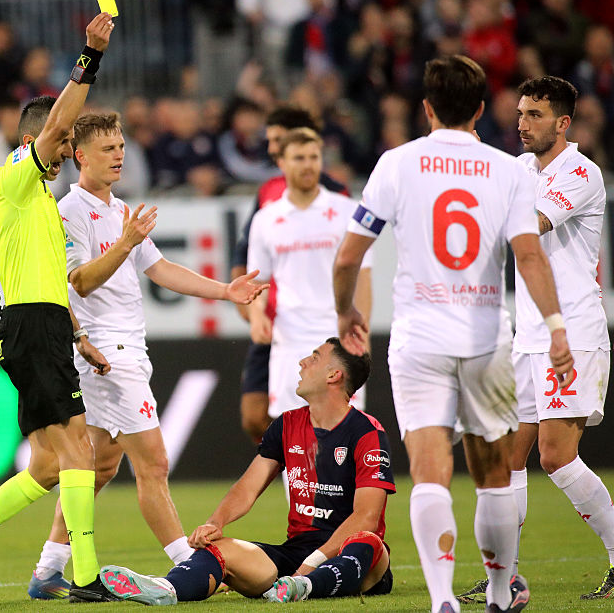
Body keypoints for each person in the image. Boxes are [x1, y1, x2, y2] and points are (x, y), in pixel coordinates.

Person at [333, 55, 574, 613]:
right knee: (492, 473)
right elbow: (530, 256)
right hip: (487, 337)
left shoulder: (397, 163)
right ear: (482, 110)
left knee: (429, 470)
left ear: (426, 107)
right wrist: (557, 327)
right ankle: (497, 592)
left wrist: (344, 311)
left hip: (419, 336)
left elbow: (348, 256)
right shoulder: (509, 170)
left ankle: (443, 599)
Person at [26, 112, 267, 600]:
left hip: (125, 347)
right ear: (80, 156)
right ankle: (189, 565)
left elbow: (159, 269)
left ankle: (48, 569)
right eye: (108, 148)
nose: (119, 155)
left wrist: (225, 290)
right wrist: (126, 243)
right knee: (153, 463)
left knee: (97, 468)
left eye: (120, 146)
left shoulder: (119, 210)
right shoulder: (69, 210)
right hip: (105, 351)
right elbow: (81, 281)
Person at [0, 12, 118, 606]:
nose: (66, 153)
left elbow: (50, 278)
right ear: (36, 141)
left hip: (44, 322)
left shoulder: (39, 200)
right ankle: (84, 577)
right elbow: (60, 120)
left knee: (46, 465)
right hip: (29, 322)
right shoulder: (12, 176)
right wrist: (90, 56)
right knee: (79, 448)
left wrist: (78, 335)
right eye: (61, 144)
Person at [458, 76, 614, 603]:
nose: (522, 123)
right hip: (527, 334)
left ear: (563, 124)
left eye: (535, 115)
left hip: (572, 331)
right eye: (520, 113)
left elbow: (531, 224)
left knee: (555, 455)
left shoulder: (581, 174)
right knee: (506, 459)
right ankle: (504, 575)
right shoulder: (521, 168)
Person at [98, 339, 395, 605]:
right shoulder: (287, 424)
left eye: (315, 358)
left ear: (334, 376)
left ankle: (304, 586)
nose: (303, 362)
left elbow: (365, 518)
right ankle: (166, 588)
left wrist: (310, 566)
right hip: (297, 553)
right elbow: (247, 487)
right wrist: (216, 522)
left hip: (357, 556)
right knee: (222, 549)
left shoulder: (366, 432)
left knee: (366, 540)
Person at [230, 105, 347, 443]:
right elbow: (247, 259)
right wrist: (253, 313)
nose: (272, 149)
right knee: (256, 417)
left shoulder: (336, 198)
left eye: (278, 141)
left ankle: (317, 481)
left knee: (325, 420)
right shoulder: (268, 195)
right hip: (276, 326)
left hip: (321, 326)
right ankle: (299, 479)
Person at [248, 127, 371, 426]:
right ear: (282, 163)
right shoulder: (266, 219)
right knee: (293, 434)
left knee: (342, 429)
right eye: (299, 157)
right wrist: (256, 316)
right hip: (289, 340)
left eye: (314, 157)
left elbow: (363, 278)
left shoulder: (346, 211)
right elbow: (256, 281)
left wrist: (361, 334)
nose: (308, 164)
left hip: (337, 336)